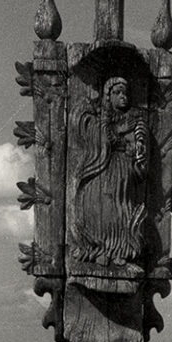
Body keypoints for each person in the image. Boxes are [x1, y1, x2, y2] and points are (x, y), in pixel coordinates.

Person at [68, 75, 149, 272]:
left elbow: (140, 137)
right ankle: (99, 249)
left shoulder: (135, 117)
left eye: (125, 93)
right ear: (108, 96)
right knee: (98, 206)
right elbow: (99, 138)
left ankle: (119, 250)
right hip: (102, 168)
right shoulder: (101, 118)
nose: (123, 97)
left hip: (122, 170)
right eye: (117, 93)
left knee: (120, 208)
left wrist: (138, 146)